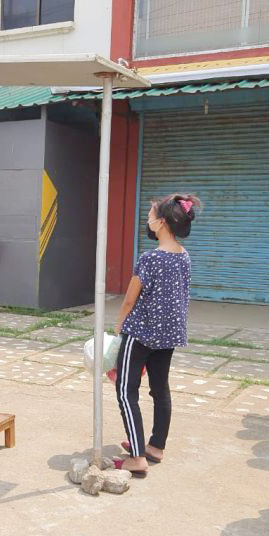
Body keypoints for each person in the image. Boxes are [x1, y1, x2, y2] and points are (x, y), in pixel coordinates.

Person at [111, 194, 201, 477]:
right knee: (160, 389)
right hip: (168, 335)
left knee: (126, 391)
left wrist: (119, 326)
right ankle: (155, 447)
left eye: (150, 215)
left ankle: (137, 457)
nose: (147, 220)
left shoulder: (150, 258)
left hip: (140, 333)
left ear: (161, 223)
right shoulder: (184, 256)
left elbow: (129, 299)